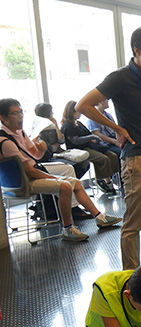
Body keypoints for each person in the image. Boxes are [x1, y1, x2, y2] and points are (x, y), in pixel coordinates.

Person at [76, 27, 141, 285]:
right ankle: (132, 278)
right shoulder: (120, 77)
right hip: (136, 158)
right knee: (133, 224)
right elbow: (83, 105)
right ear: (137, 51)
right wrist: (117, 128)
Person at [0, 98, 122, 242]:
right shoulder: (5, 141)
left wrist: (41, 147)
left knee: (75, 182)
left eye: (21, 112)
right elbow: (29, 170)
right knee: (65, 185)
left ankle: (100, 218)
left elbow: (36, 155)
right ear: (3, 118)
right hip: (23, 181)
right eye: (15, 113)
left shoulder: (20, 133)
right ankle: (68, 229)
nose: (21, 116)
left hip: (31, 172)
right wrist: (55, 179)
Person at [61, 100, 120, 195]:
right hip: (80, 150)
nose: (80, 113)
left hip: (89, 146)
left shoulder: (78, 123)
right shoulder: (67, 126)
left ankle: (109, 178)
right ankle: (105, 181)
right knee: (102, 159)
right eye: (78, 111)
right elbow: (76, 141)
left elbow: (87, 134)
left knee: (112, 156)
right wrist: (91, 137)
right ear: (71, 112)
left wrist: (92, 139)